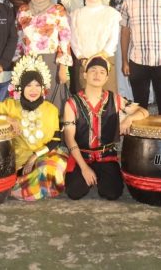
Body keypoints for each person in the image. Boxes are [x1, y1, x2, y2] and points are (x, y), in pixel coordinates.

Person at [0, 55, 67, 201]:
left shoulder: (51, 109)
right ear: (21, 87)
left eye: (37, 85)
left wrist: (34, 156)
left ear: (42, 88)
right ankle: (25, 186)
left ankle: (16, 189)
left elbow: (56, 140)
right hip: (18, 160)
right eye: (29, 85)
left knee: (51, 170)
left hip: (43, 155)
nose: (33, 90)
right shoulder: (11, 105)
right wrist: (7, 118)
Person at [62, 54, 149, 200]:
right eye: (93, 71)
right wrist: (84, 168)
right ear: (85, 75)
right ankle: (88, 176)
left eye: (102, 72)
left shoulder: (115, 99)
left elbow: (144, 112)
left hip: (106, 157)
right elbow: (69, 139)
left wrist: (129, 119)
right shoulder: (72, 103)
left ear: (106, 78)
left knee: (112, 193)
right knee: (74, 192)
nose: (97, 75)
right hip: (81, 156)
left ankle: (101, 177)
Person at [14, 0, 73, 114]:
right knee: (32, 103)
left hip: (53, 62)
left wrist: (63, 67)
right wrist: (17, 62)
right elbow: (19, 38)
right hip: (29, 63)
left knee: (54, 105)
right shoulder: (23, 10)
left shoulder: (58, 10)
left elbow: (65, 38)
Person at [70, 0, 121, 95]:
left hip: (105, 61)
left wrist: (102, 55)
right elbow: (73, 39)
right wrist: (81, 57)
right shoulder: (76, 14)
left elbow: (113, 38)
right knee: (84, 98)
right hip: (84, 62)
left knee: (107, 98)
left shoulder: (111, 13)